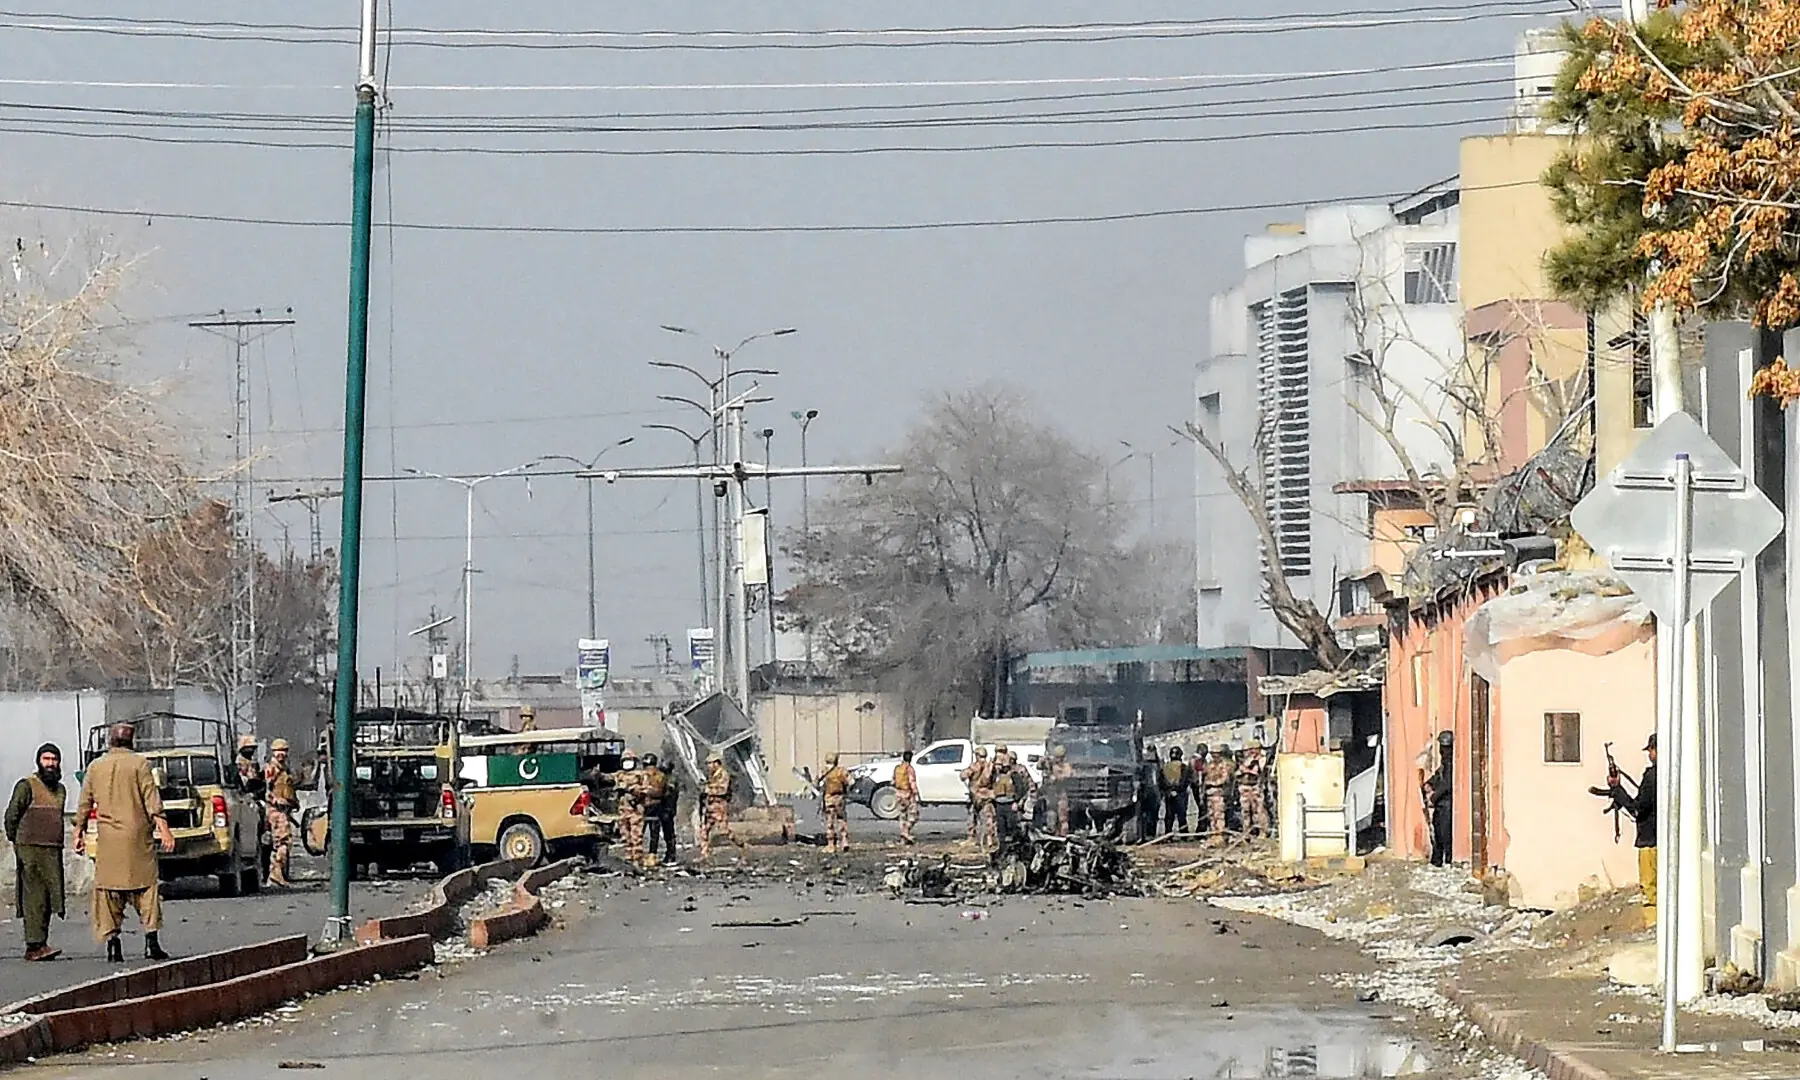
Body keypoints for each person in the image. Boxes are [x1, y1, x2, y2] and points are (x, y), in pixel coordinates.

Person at [75, 724, 175, 963]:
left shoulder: (95, 767)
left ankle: (113, 944)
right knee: (146, 889)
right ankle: (151, 941)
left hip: (108, 840)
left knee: (108, 892)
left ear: (110, 741)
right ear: (133, 741)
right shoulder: (140, 764)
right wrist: (164, 830)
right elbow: (152, 800)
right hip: (137, 838)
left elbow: (84, 802)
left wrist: (78, 831)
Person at [5, 743, 67, 961]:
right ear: (38, 761)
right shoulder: (26, 785)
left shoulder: (59, 789)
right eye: (46, 759)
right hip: (30, 850)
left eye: (54, 759)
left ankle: (42, 943)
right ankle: (34, 945)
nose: (50, 764)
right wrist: (18, 842)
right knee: (35, 898)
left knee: (51, 898)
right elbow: (11, 815)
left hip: (52, 850)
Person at [1607, 733, 1658, 919]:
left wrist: (1618, 791)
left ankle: (1652, 927)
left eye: (1651, 750)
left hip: (1649, 842)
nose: (1649, 755)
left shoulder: (1652, 777)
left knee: (1650, 893)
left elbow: (1637, 810)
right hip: (1664, 842)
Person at [263, 738, 298, 887]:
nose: (281, 754)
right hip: (276, 811)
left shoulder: (284, 769)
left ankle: (278, 874)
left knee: (282, 843)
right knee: (283, 842)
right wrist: (276, 800)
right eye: (279, 751)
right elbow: (266, 790)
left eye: (284, 751)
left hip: (284, 810)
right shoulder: (272, 769)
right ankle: (276, 874)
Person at [699, 754, 743, 860]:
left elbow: (723, 790)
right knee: (704, 830)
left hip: (719, 806)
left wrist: (708, 790)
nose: (709, 766)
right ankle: (704, 854)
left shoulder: (723, 775)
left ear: (716, 763)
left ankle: (740, 844)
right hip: (711, 806)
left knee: (724, 831)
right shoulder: (713, 775)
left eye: (710, 763)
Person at [1424, 730, 1455, 867]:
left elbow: (1447, 784)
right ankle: (1436, 860)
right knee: (1437, 832)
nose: (1443, 750)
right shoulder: (1444, 763)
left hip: (1447, 804)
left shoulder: (1452, 764)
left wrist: (1433, 798)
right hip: (1440, 804)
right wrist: (1429, 783)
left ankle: (1447, 860)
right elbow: (1438, 776)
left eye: (1445, 747)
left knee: (1445, 834)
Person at [614, 751, 648, 867]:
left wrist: (630, 789)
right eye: (625, 761)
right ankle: (628, 859)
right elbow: (607, 778)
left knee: (636, 836)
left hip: (635, 810)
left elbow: (645, 791)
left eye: (630, 761)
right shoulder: (619, 775)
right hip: (623, 810)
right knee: (625, 836)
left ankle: (638, 859)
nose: (627, 764)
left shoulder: (641, 775)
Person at [959, 746, 996, 851]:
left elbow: (963, 776)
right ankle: (988, 840)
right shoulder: (990, 766)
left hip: (979, 796)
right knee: (987, 819)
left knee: (978, 818)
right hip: (985, 796)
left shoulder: (977, 766)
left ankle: (976, 839)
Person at [645, 753, 679, 861]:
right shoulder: (661, 777)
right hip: (660, 808)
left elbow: (669, 795)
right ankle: (660, 854)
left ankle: (671, 854)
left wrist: (668, 809)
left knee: (667, 833)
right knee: (656, 832)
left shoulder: (669, 779)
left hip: (666, 808)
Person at [1201, 744, 1236, 846]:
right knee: (1211, 816)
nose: (1214, 756)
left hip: (1219, 793)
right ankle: (1214, 835)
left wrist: (1212, 783)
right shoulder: (1210, 765)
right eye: (1213, 754)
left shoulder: (1225, 765)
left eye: (1216, 754)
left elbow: (1225, 779)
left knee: (1219, 815)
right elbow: (1205, 778)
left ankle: (1220, 835)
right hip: (1210, 794)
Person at [820, 754, 852, 853]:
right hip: (840, 798)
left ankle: (831, 845)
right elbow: (851, 782)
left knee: (830, 822)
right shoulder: (841, 771)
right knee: (842, 819)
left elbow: (818, 784)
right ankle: (844, 841)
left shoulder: (824, 772)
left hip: (828, 798)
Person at [1159, 746, 1192, 836]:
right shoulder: (1183, 766)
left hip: (1169, 794)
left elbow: (1161, 781)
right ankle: (1184, 834)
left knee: (1169, 815)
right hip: (1180, 793)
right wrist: (1178, 790)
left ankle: (1168, 834)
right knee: (1181, 815)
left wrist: (1168, 791)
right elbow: (1185, 780)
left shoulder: (1164, 767)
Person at [1237, 747, 1270, 837]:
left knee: (1259, 810)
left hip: (1256, 787)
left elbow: (1259, 771)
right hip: (1245, 788)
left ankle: (1262, 831)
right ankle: (1247, 832)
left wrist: (1249, 768)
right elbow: (1239, 772)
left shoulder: (1262, 759)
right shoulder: (1246, 760)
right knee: (1246, 811)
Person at [892, 749, 920, 846]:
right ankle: (905, 832)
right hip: (908, 794)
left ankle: (903, 838)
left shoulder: (897, 768)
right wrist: (916, 793)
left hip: (899, 794)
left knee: (902, 816)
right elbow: (912, 782)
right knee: (913, 816)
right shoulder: (909, 769)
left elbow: (893, 781)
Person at [1136, 748, 1161, 842]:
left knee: (1153, 815)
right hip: (1145, 792)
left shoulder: (1156, 766)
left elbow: (1159, 779)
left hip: (1154, 792)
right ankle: (1142, 835)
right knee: (1142, 815)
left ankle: (1150, 834)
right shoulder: (1141, 766)